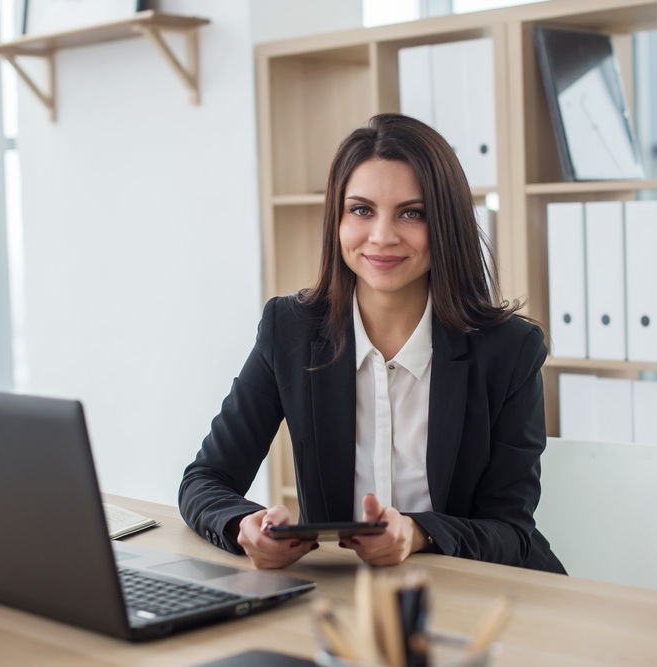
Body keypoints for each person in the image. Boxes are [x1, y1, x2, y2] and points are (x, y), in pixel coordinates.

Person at [180, 113, 565, 574]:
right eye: (361, 210)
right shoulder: (291, 331)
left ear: (446, 223)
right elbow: (205, 479)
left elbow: (511, 531)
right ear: (337, 221)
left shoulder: (510, 351)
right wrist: (245, 526)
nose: (382, 236)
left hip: (476, 593)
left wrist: (417, 534)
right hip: (345, 597)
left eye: (412, 213)